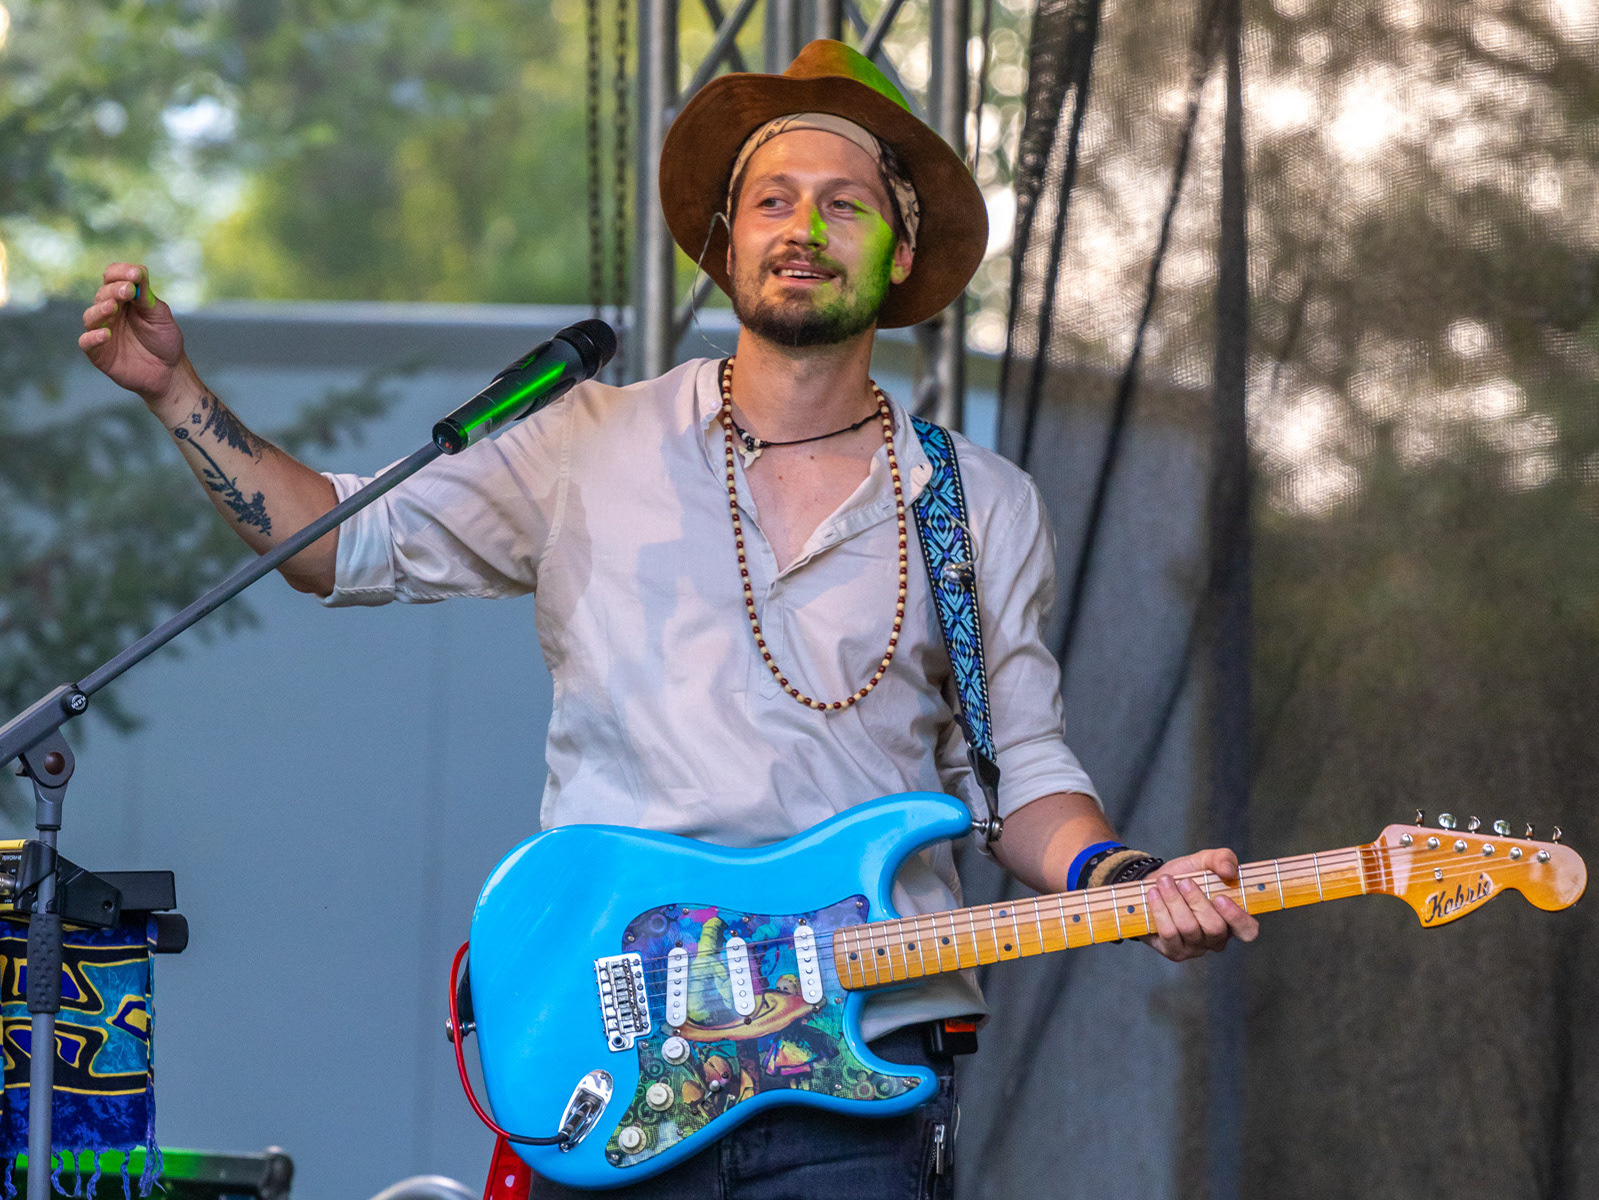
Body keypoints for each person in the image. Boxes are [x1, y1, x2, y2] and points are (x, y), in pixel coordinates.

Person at [80, 40, 1257, 1200]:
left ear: (901, 253)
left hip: (860, 1062)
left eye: (845, 204)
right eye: (773, 199)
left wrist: (1121, 873)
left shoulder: (977, 504)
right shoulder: (587, 439)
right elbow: (334, 542)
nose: (803, 228)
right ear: (726, 239)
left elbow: (1019, 772)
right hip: (617, 1051)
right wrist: (177, 394)